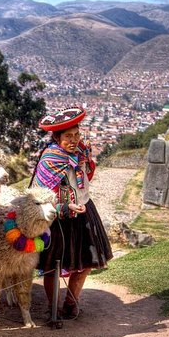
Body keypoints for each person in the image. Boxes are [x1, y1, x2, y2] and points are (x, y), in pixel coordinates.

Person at [31, 107, 113, 319]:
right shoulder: (50, 160)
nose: (74, 140)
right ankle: (53, 306)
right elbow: (42, 193)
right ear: (57, 137)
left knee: (86, 262)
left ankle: (71, 302)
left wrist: (86, 163)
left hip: (84, 211)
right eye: (68, 136)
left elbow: (86, 177)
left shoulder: (81, 153)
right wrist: (64, 207)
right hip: (59, 217)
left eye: (77, 135)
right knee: (53, 266)